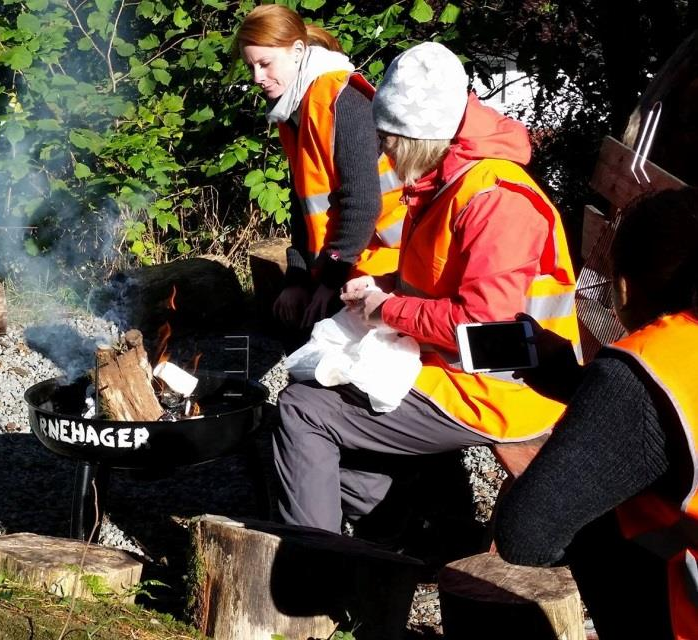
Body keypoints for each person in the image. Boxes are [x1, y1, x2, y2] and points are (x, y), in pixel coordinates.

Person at [274, 42, 580, 535]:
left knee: (304, 411)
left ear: (418, 136)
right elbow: (438, 278)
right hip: (451, 368)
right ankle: (403, 540)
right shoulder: (448, 178)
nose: (385, 153)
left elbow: (484, 330)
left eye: (390, 140)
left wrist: (385, 310)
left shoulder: (494, 200)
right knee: (325, 408)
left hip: (504, 391)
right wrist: (385, 285)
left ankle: (310, 574)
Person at [496, 188, 698, 639]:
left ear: (622, 288)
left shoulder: (646, 365)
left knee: (594, 520)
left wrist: (596, 407)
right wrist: (578, 385)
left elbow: (526, 536)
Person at [236, 5, 405, 335]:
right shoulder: (296, 109)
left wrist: (328, 283)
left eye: (265, 63)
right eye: (250, 66)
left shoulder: (342, 100)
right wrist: (297, 278)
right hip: (351, 259)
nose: (257, 77)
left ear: (298, 51)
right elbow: (305, 207)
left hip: (391, 262)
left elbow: (361, 204)